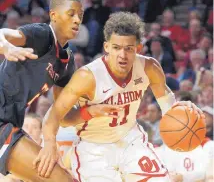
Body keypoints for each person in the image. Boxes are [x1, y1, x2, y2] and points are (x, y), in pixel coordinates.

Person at [38, 12, 203, 182]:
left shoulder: (149, 68)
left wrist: (182, 111)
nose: (122, 55)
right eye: (116, 48)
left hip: (131, 140)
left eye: (128, 48)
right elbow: (57, 117)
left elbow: (168, 104)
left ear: (138, 48)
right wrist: (88, 113)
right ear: (107, 47)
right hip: (94, 148)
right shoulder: (87, 77)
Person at [0, 0, 118, 182]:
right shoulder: (42, 34)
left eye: (80, 15)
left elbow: (63, 117)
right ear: (53, 15)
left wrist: (91, 111)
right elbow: (4, 33)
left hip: (10, 123)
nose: (77, 20)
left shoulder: (67, 62)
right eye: (71, 14)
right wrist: (6, 47)